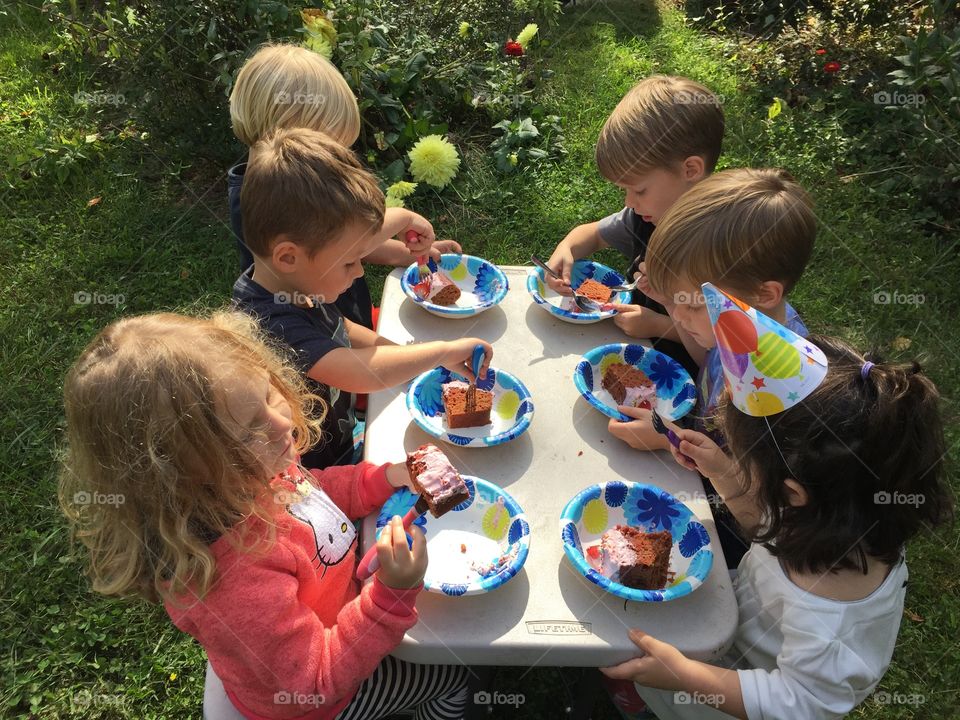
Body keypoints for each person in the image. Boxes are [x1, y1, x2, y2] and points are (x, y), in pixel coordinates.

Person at [59, 310, 470, 720]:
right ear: (174, 476)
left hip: (327, 624)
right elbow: (315, 684)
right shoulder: (236, 580)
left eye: (268, 394)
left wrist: (381, 479)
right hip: (320, 701)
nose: (282, 423)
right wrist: (391, 594)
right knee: (452, 682)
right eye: (248, 429)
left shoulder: (250, 475)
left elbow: (314, 492)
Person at [602, 327, 952, 720]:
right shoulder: (837, 516)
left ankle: (644, 700)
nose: (733, 457)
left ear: (792, 494)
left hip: (731, 693)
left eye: (741, 457)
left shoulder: (832, 620)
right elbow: (764, 526)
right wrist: (723, 472)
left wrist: (683, 675)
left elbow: (797, 703)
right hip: (731, 623)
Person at [234, 127, 491, 469]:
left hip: (341, 439)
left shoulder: (296, 283)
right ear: (288, 257)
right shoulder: (268, 324)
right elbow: (360, 372)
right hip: (314, 475)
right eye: (349, 263)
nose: (358, 272)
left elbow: (342, 330)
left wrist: (406, 356)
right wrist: (441, 351)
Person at [228, 43, 460, 329]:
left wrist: (408, 253)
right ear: (294, 146)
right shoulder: (272, 200)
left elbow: (347, 241)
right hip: (317, 336)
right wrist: (403, 218)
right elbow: (348, 244)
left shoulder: (287, 184)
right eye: (332, 149)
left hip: (345, 314)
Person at [544, 75, 724, 372]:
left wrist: (658, 324)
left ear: (690, 169)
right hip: (627, 353)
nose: (629, 202)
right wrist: (567, 250)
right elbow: (590, 235)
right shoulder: (647, 216)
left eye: (639, 190)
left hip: (679, 385)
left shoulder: (721, 246)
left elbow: (718, 352)